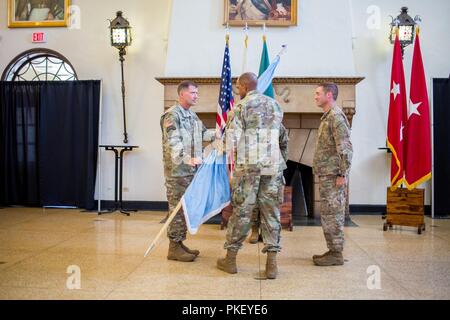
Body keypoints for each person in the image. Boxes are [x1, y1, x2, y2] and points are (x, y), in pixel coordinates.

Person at [217, 72, 287, 279]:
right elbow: (283, 137)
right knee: (272, 213)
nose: (237, 91)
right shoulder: (275, 105)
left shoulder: (239, 107)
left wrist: (216, 149)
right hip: (272, 167)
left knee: (242, 212)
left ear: (243, 86)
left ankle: (230, 260)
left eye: (237, 87)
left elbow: (231, 141)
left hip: (248, 167)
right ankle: (272, 264)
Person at [160, 80, 215, 262]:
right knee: (176, 209)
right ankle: (173, 248)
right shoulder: (171, 116)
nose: (196, 96)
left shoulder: (191, 116)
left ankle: (180, 243)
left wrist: (219, 133)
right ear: (182, 94)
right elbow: (173, 143)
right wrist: (188, 158)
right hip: (178, 172)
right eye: (193, 93)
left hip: (190, 172)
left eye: (197, 93)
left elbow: (203, 134)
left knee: (184, 209)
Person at [312, 83, 353, 266]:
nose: (315, 96)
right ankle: (332, 250)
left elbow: (345, 148)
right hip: (327, 175)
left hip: (334, 176)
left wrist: (342, 174)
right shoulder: (328, 117)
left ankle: (336, 253)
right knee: (328, 214)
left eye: (318, 93)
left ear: (329, 95)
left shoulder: (336, 117)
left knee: (333, 214)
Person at [249, 124, 288, 244]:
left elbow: (284, 144)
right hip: (254, 167)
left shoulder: (277, 124)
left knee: (271, 203)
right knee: (253, 202)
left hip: (271, 169)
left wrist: (280, 163)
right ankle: (255, 230)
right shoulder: (251, 122)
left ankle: (268, 235)